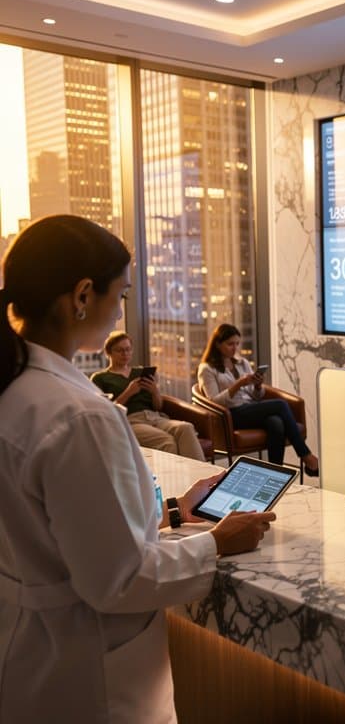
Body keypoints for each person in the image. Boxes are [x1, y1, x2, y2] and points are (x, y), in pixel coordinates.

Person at [0, 215, 275, 723]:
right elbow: (119, 579)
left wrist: (173, 511)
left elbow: (61, 529)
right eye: (122, 294)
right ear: (83, 295)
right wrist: (216, 543)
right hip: (88, 683)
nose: (121, 311)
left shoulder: (18, 391)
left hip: (29, 663)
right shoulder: (78, 416)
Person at [197, 323, 319, 476]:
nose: (234, 348)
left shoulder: (242, 363)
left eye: (237, 344)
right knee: (280, 405)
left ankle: (275, 474)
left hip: (250, 409)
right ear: (217, 344)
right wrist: (238, 384)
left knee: (276, 422)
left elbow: (256, 396)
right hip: (230, 414)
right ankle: (306, 456)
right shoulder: (207, 369)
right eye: (230, 344)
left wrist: (257, 386)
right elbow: (213, 402)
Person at [92, 331, 206, 461]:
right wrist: (129, 392)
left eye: (128, 349)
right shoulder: (101, 378)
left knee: (186, 428)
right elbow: (105, 410)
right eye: (120, 350)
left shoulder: (140, 372)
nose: (125, 354)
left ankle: (203, 473)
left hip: (154, 417)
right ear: (109, 353)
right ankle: (174, 474)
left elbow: (158, 406)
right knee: (166, 441)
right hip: (130, 420)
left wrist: (154, 391)